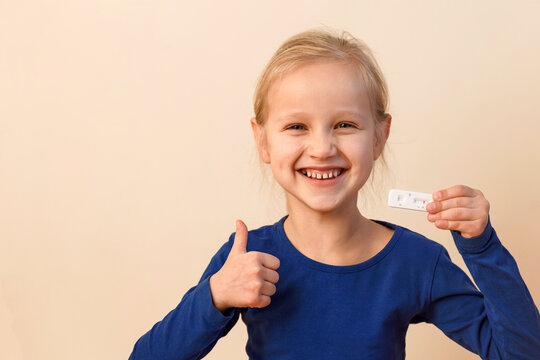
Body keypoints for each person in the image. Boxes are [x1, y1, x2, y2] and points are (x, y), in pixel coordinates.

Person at [129, 28, 540, 359]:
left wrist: (483, 249)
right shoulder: (246, 258)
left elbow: (522, 353)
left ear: (380, 137)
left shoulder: (416, 262)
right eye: (296, 126)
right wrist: (215, 295)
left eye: (345, 124)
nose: (322, 147)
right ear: (263, 141)